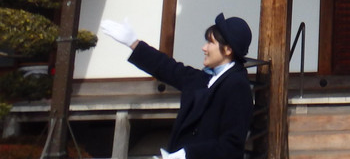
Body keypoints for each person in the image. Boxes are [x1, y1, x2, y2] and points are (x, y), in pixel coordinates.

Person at [100, 14, 254, 159]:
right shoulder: (206, 77)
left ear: (228, 49)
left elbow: (231, 146)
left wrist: (188, 154)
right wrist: (133, 43)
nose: (204, 48)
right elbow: (169, 68)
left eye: (210, 42)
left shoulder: (237, 85)